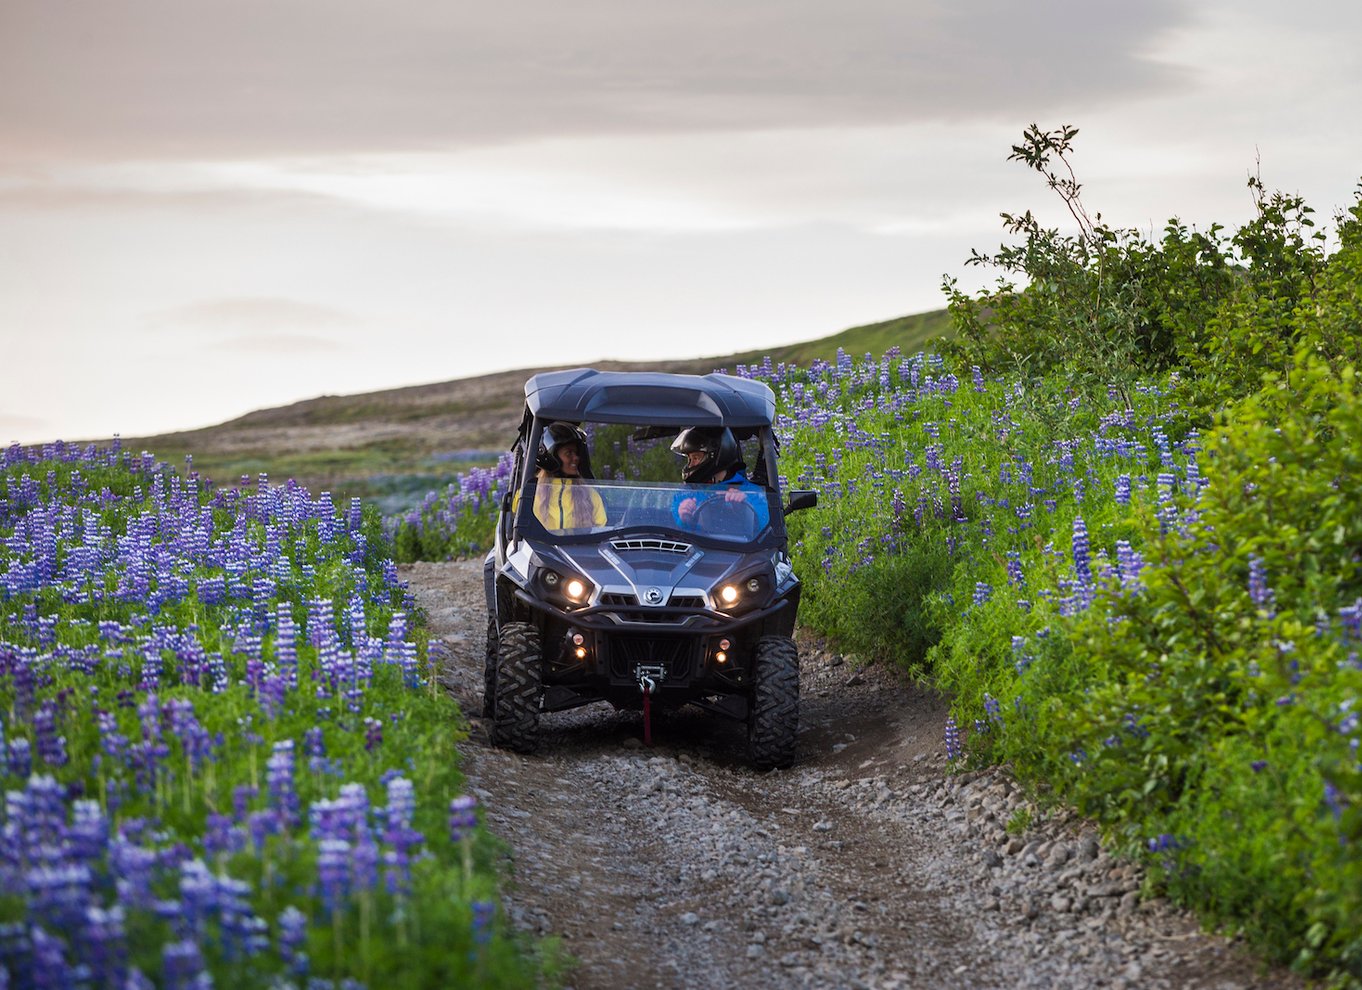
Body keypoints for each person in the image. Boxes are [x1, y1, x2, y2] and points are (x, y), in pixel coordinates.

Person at [670, 426, 770, 532]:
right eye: (689, 459)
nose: (690, 465)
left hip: (737, 548)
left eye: (696, 458)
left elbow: (765, 529)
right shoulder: (687, 494)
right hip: (696, 547)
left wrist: (743, 509)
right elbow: (669, 531)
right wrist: (684, 519)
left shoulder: (753, 493)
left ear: (716, 455)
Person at [527, 422, 606, 532]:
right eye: (569, 453)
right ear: (551, 457)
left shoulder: (591, 496)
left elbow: (600, 533)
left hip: (579, 549)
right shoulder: (528, 496)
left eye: (577, 453)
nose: (576, 458)